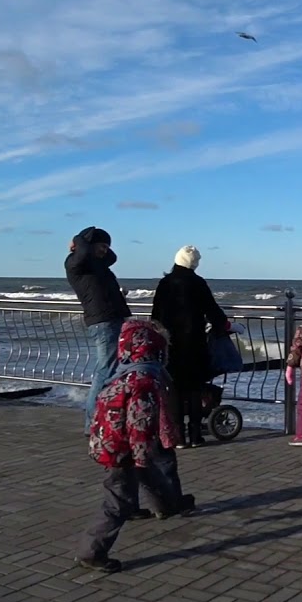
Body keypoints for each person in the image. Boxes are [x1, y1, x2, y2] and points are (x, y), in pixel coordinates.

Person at [75, 319, 192, 573]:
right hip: (124, 451)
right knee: (118, 501)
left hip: (111, 445)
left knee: (151, 479)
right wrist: (140, 456)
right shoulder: (144, 382)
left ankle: (169, 505)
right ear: (156, 350)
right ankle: (92, 551)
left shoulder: (121, 374)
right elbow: (139, 424)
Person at [150, 245, 229, 448]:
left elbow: (155, 315)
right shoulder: (197, 283)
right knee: (194, 389)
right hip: (194, 343)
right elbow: (212, 309)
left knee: (174, 389)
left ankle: (177, 436)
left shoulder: (165, 283)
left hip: (171, 344)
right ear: (193, 263)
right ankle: (195, 435)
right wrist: (224, 325)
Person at [66, 226, 132, 435]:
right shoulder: (76, 262)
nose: (106, 250)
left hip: (113, 319)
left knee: (111, 370)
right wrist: (79, 239)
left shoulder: (97, 264)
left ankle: (107, 416)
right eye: (102, 246)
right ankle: (93, 423)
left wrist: (101, 245)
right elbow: (84, 251)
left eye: (107, 246)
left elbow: (112, 257)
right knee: (105, 371)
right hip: (103, 322)